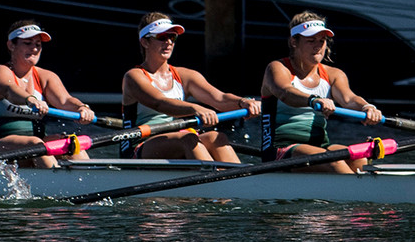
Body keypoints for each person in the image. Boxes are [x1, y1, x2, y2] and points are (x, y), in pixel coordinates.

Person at [121, 12, 261, 163]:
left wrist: (243, 102)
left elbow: (219, 99)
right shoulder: (133, 77)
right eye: (161, 37)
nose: (168, 42)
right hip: (139, 146)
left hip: (178, 138)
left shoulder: (185, 76)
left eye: (172, 37)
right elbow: (159, 102)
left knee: (216, 137)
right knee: (189, 139)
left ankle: (240, 183)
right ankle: (216, 182)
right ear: (144, 42)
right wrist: (195, 109)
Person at [259, 12, 385, 173]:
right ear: (294, 42)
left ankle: (367, 194)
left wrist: (367, 107)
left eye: (322, 41)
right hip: (280, 151)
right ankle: (360, 194)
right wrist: (313, 100)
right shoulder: (277, 68)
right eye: (311, 41)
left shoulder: (333, 74)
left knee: (359, 158)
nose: (318, 46)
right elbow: (285, 93)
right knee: (335, 163)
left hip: (319, 147)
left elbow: (349, 99)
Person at [0, 19, 96, 168]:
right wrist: (30, 99)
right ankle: (56, 183)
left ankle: (90, 180)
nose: (34, 49)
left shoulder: (45, 77)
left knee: (71, 143)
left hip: (35, 149)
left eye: (38, 45)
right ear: (11, 45)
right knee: (36, 144)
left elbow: (65, 101)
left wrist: (82, 108)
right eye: (28, 43)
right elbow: (10, 91)